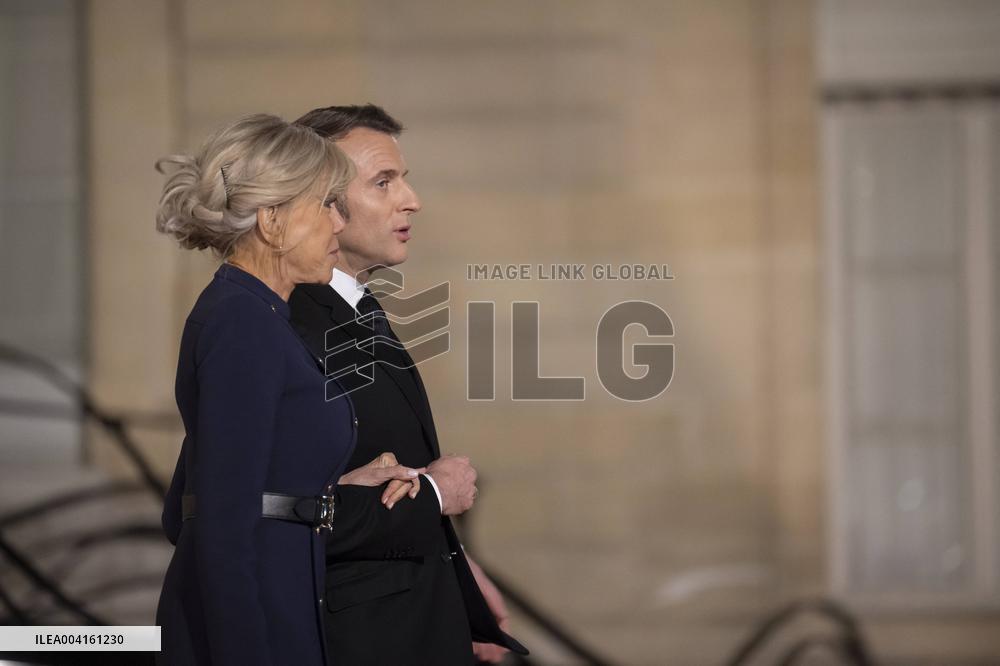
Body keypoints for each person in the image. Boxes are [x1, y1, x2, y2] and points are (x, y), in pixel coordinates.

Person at [154, 114, 426, 666]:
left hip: (287, 600)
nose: (338, 222)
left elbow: (215, 491)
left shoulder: (259, 315)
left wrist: (329, 490)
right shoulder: (242, 323)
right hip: (255, 627)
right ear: (272, 220)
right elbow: (220, 525)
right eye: (327, 203)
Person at [290, 105, 528, 665]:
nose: (411, 199)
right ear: (323, 204)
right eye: (382, 181)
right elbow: (260, 513)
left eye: (403, 178)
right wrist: (439, 495)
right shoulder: (289, 325)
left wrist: (456, 577)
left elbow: (381, 476)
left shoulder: (357, 307)